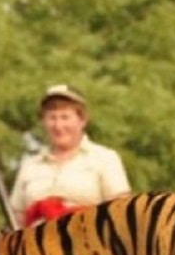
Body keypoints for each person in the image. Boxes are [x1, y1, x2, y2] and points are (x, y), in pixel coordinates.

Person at [9, 84, 132, 226]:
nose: (58, 126)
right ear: (43, 122)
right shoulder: (30, 165)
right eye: (52, 118)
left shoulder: (105, 159)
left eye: (65, 117)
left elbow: (121, 216)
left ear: (82, 120)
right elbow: (15, 219)